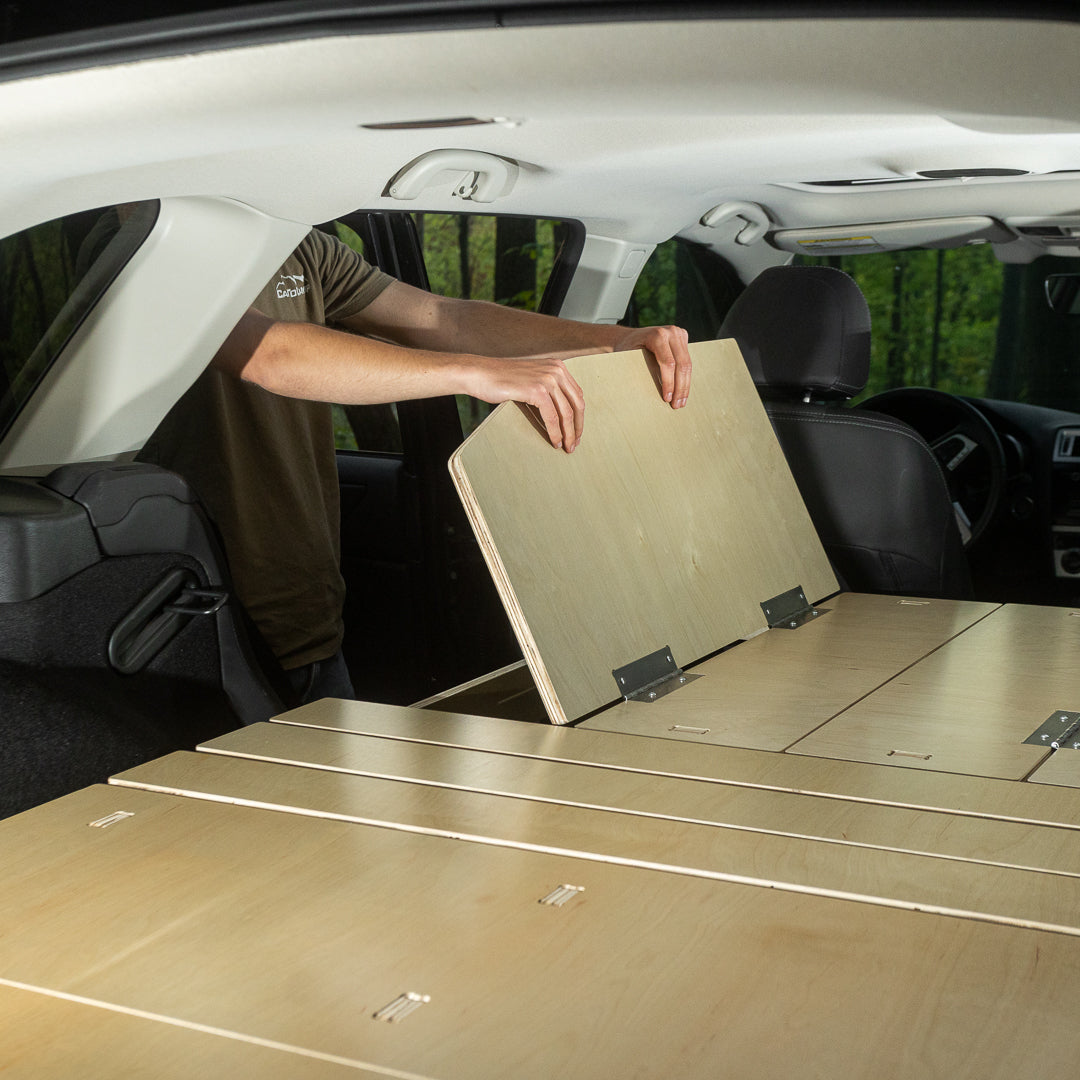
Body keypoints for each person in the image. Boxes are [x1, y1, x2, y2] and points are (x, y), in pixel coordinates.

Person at [139, 227, 692, 703]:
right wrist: (473, 373)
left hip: (302, 612)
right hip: (184, 616)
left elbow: (442, 317)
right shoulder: (151, 239)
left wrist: (616, 340)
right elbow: (268, 352)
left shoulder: (301, 248)